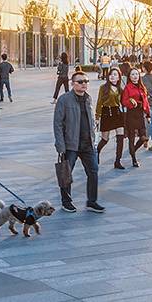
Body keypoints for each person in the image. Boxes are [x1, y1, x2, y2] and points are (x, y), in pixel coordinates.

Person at [53, 69, 104, 213]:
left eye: (86, 81)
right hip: (70, 144)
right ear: (73, 83)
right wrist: (60, 145)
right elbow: (57, 123)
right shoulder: (64, 99)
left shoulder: (88, 98)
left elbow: (91, 121)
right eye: (80, 82)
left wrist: (94, 139)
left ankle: (91, 202)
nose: (84, 84)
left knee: (93, 171)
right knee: (66, 174)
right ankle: (66, 202)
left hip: (88, 144)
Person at [117, 65, 149, 169]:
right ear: (129, 77)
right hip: (131, 114)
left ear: (139, 76)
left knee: (143, 138)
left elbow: (146, 102)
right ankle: (134, 159)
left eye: (136, 74)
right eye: (132, 74)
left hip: (140, 114)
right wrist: (131, 101)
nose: (135, 76)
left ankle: (133, 150)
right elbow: (124, 101)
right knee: (131, 138)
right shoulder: (127, 88)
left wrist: (148, 114)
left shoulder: (142, 87)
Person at [96, 66, 125, 159]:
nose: (112, 76)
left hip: (117, 113)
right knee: (105, 139)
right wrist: (97, 117)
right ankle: (96, 153)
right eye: (111, 74)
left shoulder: (120, 89)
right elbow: (99, 102)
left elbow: (124, 102)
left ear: (119, 77)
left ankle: (118, 161)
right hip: (106, 113)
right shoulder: (103, 88)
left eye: (115, 75)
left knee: (120, 137)